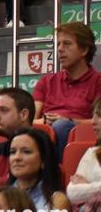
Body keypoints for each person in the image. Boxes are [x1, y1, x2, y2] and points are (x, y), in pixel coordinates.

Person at [32, 21, 101, 159]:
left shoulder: (98, 81)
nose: (60, 49)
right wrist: (46, 121)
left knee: (62, 126)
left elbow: (99, 120)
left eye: (67, 44)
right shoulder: (46, 81)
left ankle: (55, 175)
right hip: (46, 135)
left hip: (79, 135)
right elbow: (30, 120)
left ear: (84, 50)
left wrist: (70, 120)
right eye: (58, 44)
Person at [7, 127, 72, 212]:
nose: (16, 158)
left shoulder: (57, 201)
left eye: (26, 152)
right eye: (12, 152)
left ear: (43, 160)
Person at [67, 97, 101, 212]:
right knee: (87, 211)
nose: (93, 122)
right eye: (93, 116)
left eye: (99, 116)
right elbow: (72, 193)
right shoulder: (92, 153)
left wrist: (88, 185)